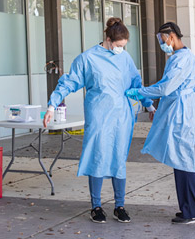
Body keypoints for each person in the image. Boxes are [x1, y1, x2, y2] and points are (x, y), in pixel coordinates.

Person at [43, 17, 155, 223]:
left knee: (118, 159)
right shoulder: (88, 59)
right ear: (108, 39)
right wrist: (52, 105)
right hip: (99, 116)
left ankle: (119, 205)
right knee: (98, 158)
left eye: (124, 46)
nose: (121, 49)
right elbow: (68, 83)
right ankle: (96, 206)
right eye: (119, 45)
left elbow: (137, 83)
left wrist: (149, 104)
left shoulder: (125, 58)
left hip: (122, 116)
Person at [126, 22, 195, 224]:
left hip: (183, 116)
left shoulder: (182, 60)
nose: (163, 44)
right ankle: (189, 207)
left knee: (185, 162)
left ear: (171, 36)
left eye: (163, 40)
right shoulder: (180, 57)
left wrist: (140, 92)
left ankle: (194, 211)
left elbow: (165, 88)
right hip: (184, 113)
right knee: (182, 162)